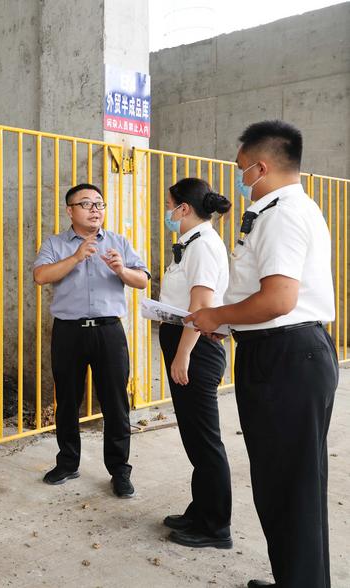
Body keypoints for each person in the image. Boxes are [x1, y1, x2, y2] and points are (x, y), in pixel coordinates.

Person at [187, 120, 336, 588]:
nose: (239, 177)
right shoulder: (291, 209)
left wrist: (216, 316)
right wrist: (230, 322)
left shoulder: (282, 215)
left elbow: (278, 299)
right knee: (287, 484)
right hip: (286, 352)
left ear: (261, 167)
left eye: (241, 168)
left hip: (285, 357)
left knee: (289, 487)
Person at [33, 183, 149, 498]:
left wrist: (122, 270)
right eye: (86, 204)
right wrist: (75, 257)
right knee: (68, 400)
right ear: (70, 211)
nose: (95, 209)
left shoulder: (118, 242)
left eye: (99, 203)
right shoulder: (55, 243)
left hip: (109, 331)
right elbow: (41, 276)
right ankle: (68, 463)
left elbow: (142, 280)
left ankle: (120, 471)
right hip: (69, 331)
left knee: (116, 402)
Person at [157, 178, 233, 550]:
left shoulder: (203, 245)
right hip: (187, 340)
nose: (167, 212)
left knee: (204, 440)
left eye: (169, 205)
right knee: (194, 436)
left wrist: (183, 353)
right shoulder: (192, 243)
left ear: (183, 208)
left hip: (196, 347)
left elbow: (200, 304)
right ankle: (200, 511)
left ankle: (216, 527)